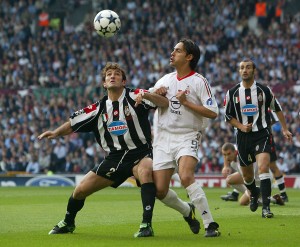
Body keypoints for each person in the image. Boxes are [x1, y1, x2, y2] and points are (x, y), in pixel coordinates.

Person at [38, 62, 169, 237]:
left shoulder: (137, 95)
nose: (112, 76)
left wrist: (150, 96)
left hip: (140, 153)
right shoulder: (97, 109)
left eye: (116, 74)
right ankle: (68, 222)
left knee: (145, 171)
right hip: (114, 158)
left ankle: (146, 224)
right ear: (104, 83)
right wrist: (55, 133)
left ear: (124, 81)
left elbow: (164, 103)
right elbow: (72, 124)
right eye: (109, 75)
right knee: (80, 190)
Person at [136, 38, 220, 237]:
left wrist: (186, 102)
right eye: (173, 50)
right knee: (159, 190)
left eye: (178, 51)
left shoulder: (199, 81)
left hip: (187, 135)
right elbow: (160, 103)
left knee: (186, 176)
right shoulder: (165, 79)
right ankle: (186, 210)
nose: (172, 53)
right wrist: (152, 94)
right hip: (163, 139)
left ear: (189, 57)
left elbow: (212, 112)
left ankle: (210, 224)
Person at [224, 58, 293, 218]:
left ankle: (266, 208)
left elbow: (277, 108)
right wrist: (241, 126)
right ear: (239, 71)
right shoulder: (232, 92)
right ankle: (254, 194)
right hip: (242, 137)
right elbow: (227, 116)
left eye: (248, 67)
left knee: (263, 168)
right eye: (242, 68)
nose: (245, 70)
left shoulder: (264, 90)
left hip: (262, 134)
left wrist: (285, 128)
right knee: (247, 176)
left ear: (254, 70)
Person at [220, 142, 286, 206]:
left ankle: (259, 197)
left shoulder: (243, 158)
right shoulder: (233, 158)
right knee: (241, 201)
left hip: (262, 180)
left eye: (228, 154)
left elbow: (249, 178)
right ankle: (273, 199)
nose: (226, 157)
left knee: (254, 202)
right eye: (224, 155)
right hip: (251, 178)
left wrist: (251, 196)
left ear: (235, 152)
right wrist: (225, 166)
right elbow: (228, 148)